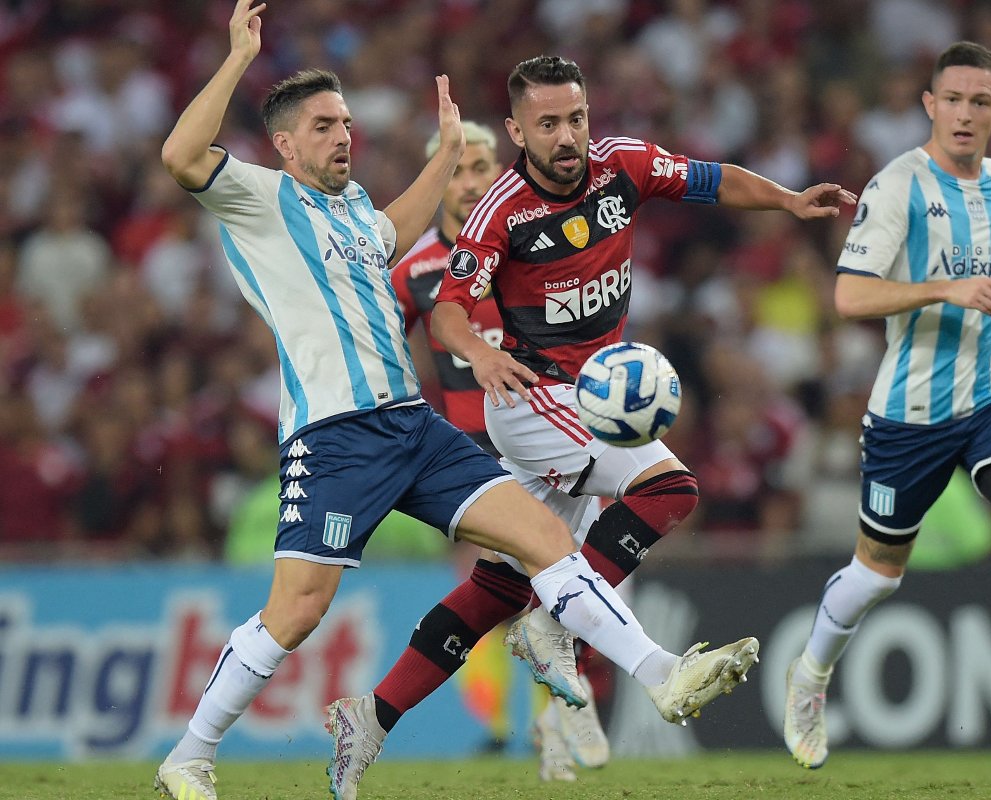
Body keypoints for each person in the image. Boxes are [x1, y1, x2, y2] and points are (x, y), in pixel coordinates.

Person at [154, 5, 759, 800]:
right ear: (286, 143)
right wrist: (238, 58)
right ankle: (190, 753)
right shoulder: (261, 202)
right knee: (297, 612)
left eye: (346, 122)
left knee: (545, 543)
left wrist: (444, 156)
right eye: (325, 125)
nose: (344, 135)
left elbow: (390, 235)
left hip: (412, 425)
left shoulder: (349, 213)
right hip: (334, 437)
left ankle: (664, 675)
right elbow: (180, 155)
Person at [428, 54, 856, 713]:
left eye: (576, 118)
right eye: (547, 124)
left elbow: (712, 181)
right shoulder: (502, 211)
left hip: (590, 396)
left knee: (508, 577)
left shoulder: (622, 165)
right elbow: (450, 307)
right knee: (671, 487)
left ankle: (375, 712)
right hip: (535, 396)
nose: (566, 135)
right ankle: (557, 633)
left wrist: (788, 199)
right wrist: (477, 357)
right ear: (517, 131)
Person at [783, 40, 991, 769]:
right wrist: (941, 288)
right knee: (877, 574)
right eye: (950, 100)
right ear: (929, 105)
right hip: (910, 413)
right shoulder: (897, 187)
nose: (964, 114)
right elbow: (849, 295)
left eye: (978, 102)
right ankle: (809, 676)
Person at [385, 121, 609, 781]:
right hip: (470, 454)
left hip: (551, 437)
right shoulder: (415, 269)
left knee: (560, 587)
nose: (471, 181)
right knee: (501, 591)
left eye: (481, 167)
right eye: (456, 169)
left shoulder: (523, 241)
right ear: (437, 184)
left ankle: (552, 724)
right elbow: (383, 353)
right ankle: (500, 724)